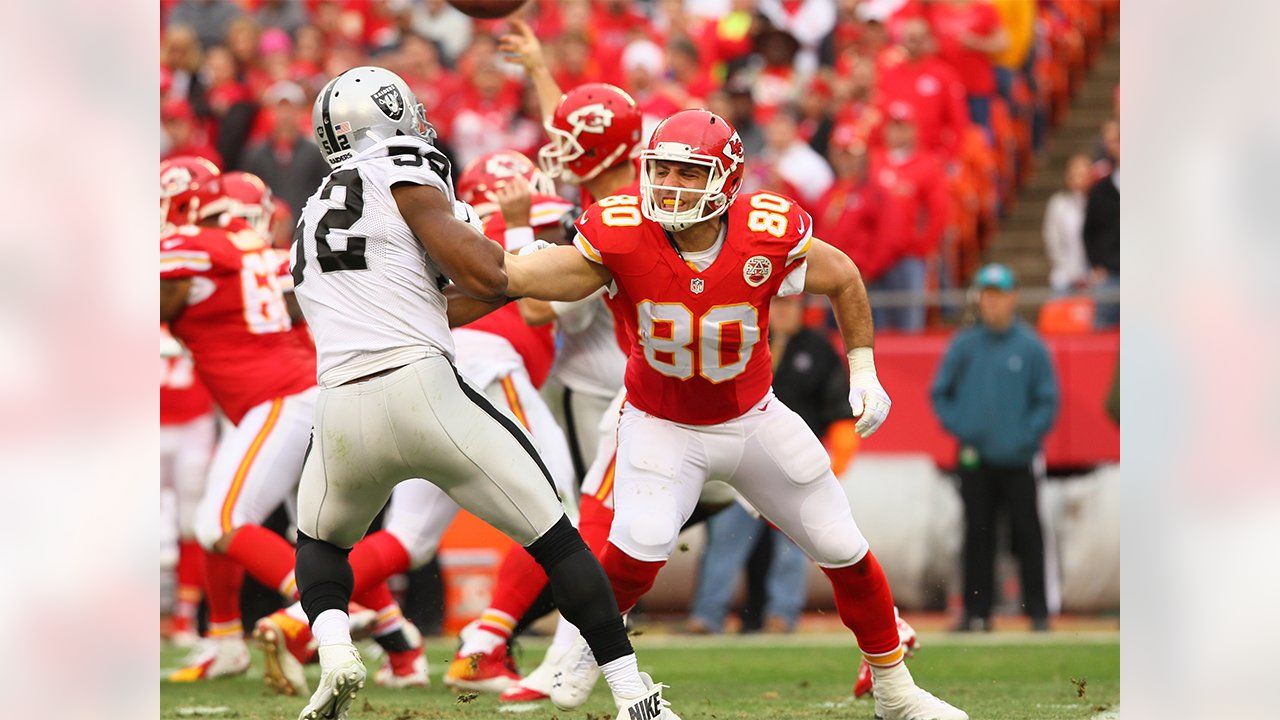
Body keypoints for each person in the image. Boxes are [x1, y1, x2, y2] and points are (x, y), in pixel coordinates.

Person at [502, 108, 967, 720]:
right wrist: (490, 259)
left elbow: (845, 277)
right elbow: (539, 278)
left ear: (724, 180)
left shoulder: (765, 229)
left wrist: (864, 369)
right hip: (660, 422)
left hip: (752, 418)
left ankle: (896, 692)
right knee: (636, 549)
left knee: (843, 545)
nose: (669, 184)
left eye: (688, 173)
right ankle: (603, 672)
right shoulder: (622, 229)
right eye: (661, 169)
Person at [286, 66, 679, 720]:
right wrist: (517, 266)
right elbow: (487, 274)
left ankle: (334, 653)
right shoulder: (404, 168)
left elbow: (412, 304)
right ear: (392, 116)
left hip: (339, 408)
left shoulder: (313, 209)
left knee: (321, 543)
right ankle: (634, 695)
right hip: (422, 391)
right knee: (557, 539)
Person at [160, 157, 317, 683]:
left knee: (220, 522)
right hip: (276, 399)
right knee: (315, 529)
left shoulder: (201, 247)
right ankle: (226, 640)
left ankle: (325, 611)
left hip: (280, 400)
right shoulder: (255, 252)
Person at [686, 294, 848, 635]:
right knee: (725, 541)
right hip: (742, 462)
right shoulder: (746, 341)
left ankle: (781, 616)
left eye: (793, 305)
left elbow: (839, 410)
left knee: (793, 547)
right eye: (781, 305)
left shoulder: (818, 351)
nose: (787, 312)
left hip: (795, 465)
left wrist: (835, 463)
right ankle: (707, 615)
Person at [930, 263, 1059, 632]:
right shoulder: (965, 345)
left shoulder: (1031, 347)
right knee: (977, 534)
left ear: (1013, 297)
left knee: (1028, 533)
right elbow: (940, 393)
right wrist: (964, 428)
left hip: (1018, 459)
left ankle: (1038, 612)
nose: (992, 303)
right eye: (986, 295)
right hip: (976, 458)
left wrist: (1025, 436)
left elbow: (1046, 400)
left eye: (999, 295)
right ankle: (976, 612)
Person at [867, 101, 949, 332]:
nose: (897, 132)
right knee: (874, 322)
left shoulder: (927, 165)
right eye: (893, 126)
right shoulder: (873, 161)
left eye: (903, 126)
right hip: (876, 258)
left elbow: (938, 212)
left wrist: (922, 246)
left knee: (910, 320)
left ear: (914, 130)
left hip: (909, 256)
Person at [239, 81, 332, 220]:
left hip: (305, 228)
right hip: (267, 227)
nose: (285, 115)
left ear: (301, 112)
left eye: (291, 109)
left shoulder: (315, 152)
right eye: (280, 108)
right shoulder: (255, 153)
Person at [1084, 121, 1120, 328]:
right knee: (1102, 336)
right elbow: (1089, 231)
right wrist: (1095, 264)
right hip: (1110, 274)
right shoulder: (1100, 190)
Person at [1043, 154, 1093, 294]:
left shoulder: (1098, 201)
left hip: (1093, 275)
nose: (1078, 179)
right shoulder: (1058, 203)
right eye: (1074, 174)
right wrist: (1070, 271)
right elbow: (1052, 239)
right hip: (1064, 273)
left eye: (1083, 174)